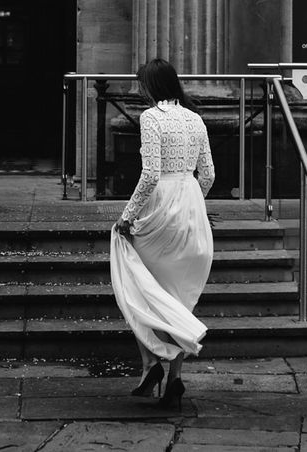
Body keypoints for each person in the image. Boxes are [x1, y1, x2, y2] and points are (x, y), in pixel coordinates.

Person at [110, 58, 215, 411]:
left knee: (141, 287)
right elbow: (209, 175)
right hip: (191, 207)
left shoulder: (151, 118)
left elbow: (151, 174)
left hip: (162, 208)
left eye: (142, 84)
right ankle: (173, 379)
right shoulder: (196, 119)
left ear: (151, 87)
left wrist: (127, 216)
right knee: (178, 300)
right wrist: (193, 203)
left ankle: (152, 362)